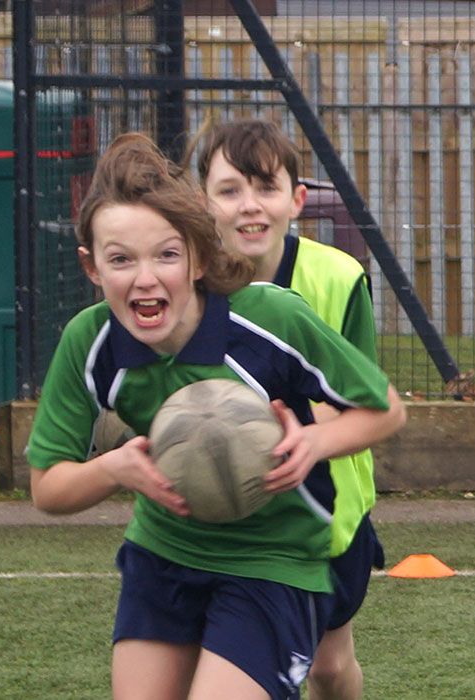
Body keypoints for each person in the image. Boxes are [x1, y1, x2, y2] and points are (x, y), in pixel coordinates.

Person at [26, 132, 405, 700]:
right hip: (163, 556)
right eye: (121, 259)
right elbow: (46, 488)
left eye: (167, 254)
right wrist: (113, 470)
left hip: (273, 561)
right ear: (91, 266)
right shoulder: (90, 342)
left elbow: (386, 411)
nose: (145, 277)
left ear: (199, 256)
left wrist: (313, 444)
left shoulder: (269, 319)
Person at [193, 118, 384, 700]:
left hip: (325, 510)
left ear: (297, 200)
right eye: (229, 190)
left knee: (327, 666)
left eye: (266, 188)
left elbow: (360, 402)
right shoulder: (186, 282)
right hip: (220, 514)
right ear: (203, 202)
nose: (249, 206)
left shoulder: (338, 278)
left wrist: (267, 439)